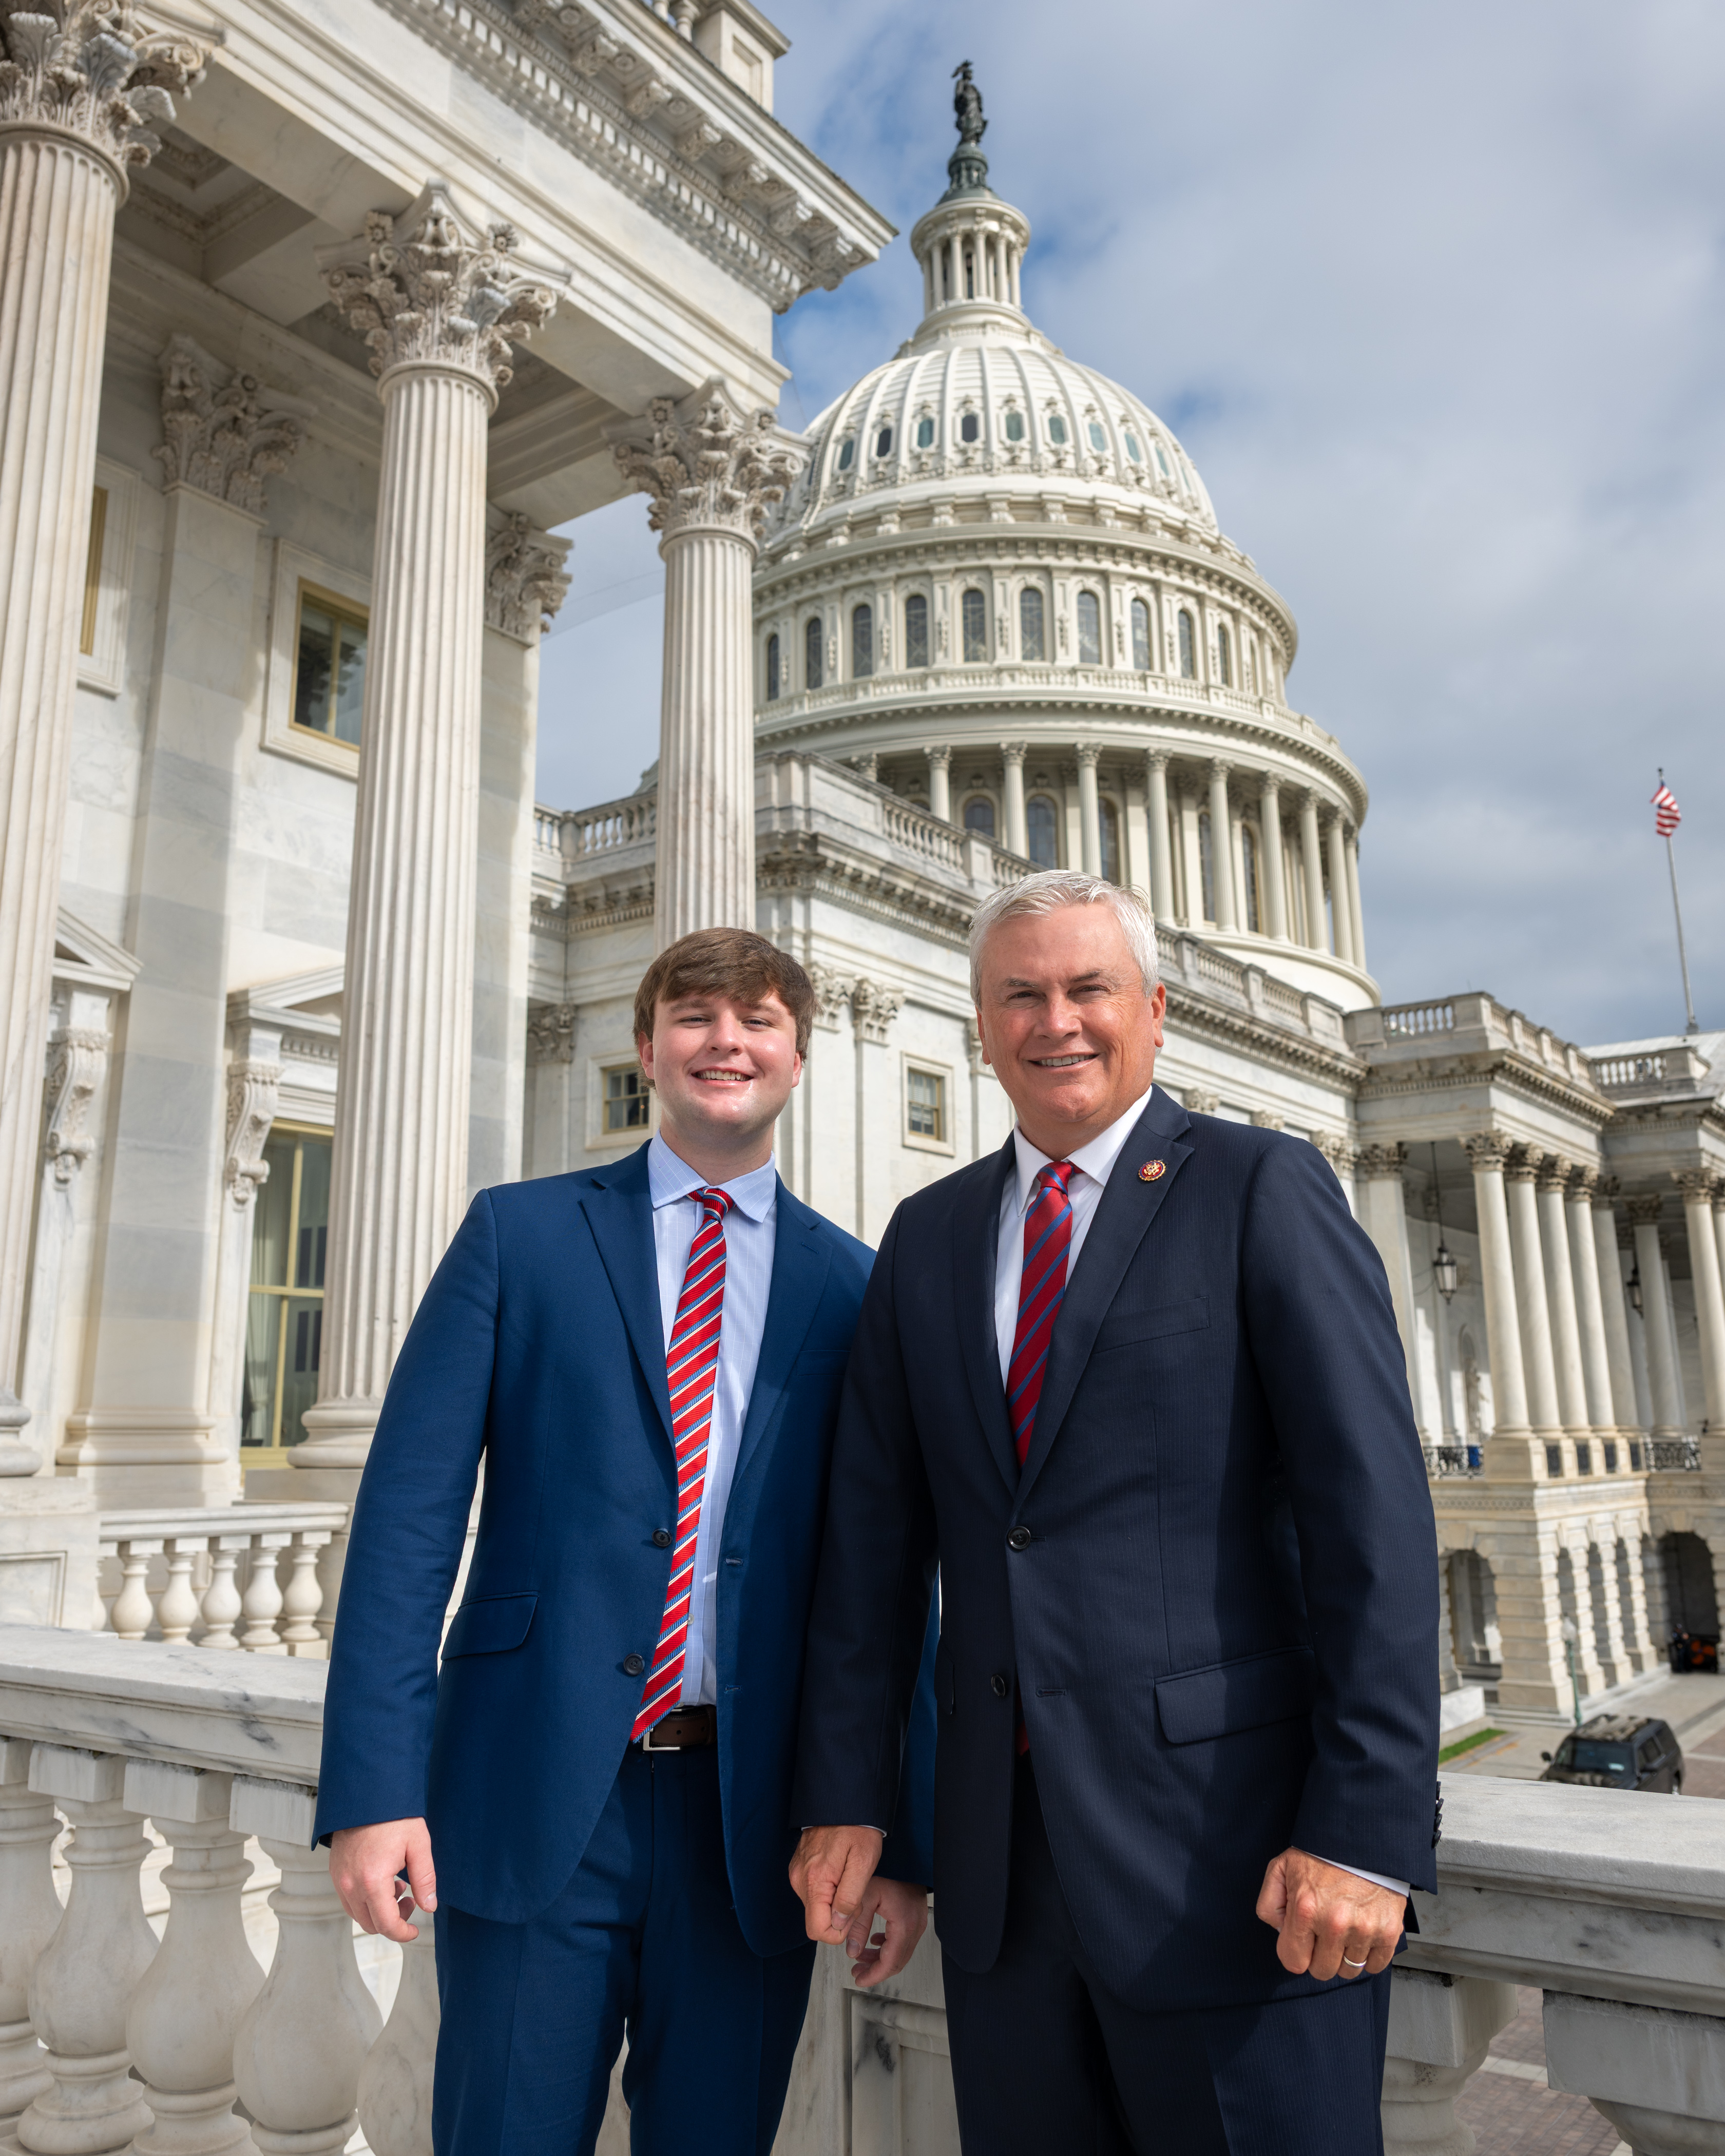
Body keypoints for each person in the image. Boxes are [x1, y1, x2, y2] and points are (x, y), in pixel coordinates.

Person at [790, 871, 1439, 2154]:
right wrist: (867, 1808)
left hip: (1238, 1870)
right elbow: (873, 1557)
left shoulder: (1261, 1185)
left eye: (1089, 988)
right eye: (1020, 996)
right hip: (1001, 1893)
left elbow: (1372, 1524)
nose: (1057, 1022)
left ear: (1153, 1010)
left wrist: (1367, 1835)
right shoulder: (927, 1236)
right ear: (981, 1026)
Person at [315, 928, 932, 2156]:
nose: (726, 1041)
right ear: (647, 1048)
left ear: (798, 1057)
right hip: (536, 1791)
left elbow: (886, 1578)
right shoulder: (519, 1236)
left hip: (757, 1824)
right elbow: (405, 1523)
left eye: (758, 1020)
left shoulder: (856, 1287)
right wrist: (373, 1791)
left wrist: (902, 1840)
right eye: (695, 1016)